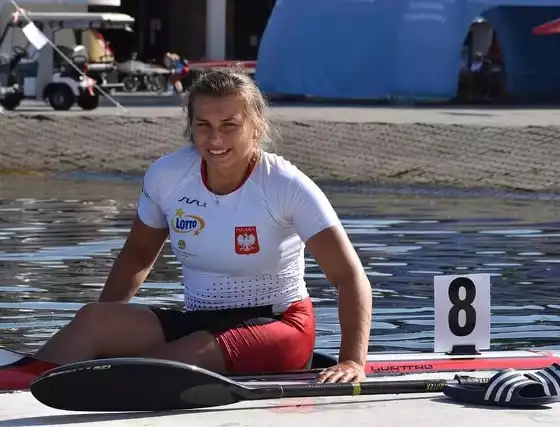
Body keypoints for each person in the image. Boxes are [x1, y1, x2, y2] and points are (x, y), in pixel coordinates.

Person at [35, 68, 373, 384]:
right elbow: (137, 255)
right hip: (202, 321)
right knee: (91, 322)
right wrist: (106, 332)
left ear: (255, 127)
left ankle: (114, 384)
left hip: (280, 324)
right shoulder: (168, 176)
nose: (214, 139)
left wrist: (352, 361)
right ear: (190, 127)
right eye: (203, 125)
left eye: (229, 125)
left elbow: (349, 276)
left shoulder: (285, 185)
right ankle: (13, 385)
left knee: (159, 365)